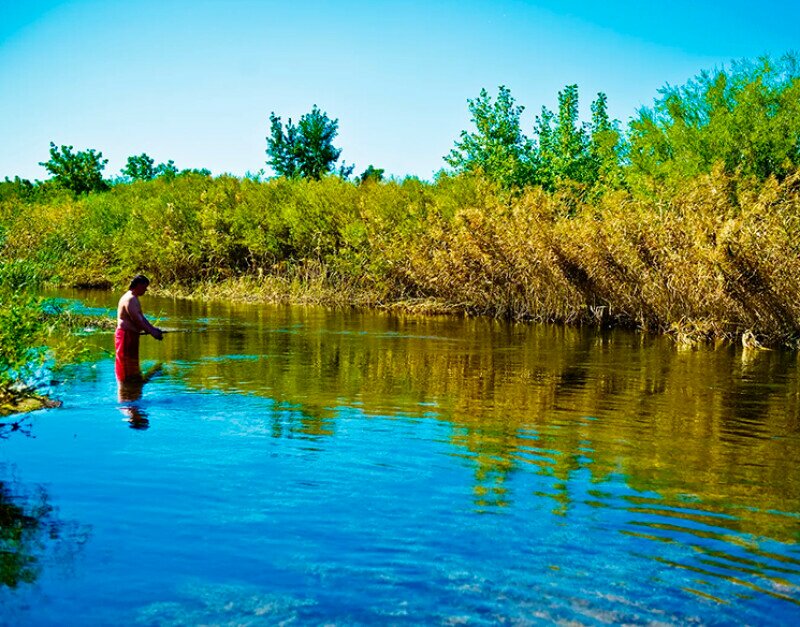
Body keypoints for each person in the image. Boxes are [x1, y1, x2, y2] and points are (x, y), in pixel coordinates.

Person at [115, 275, 163, 383]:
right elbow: (137, 320)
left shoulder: (134, 298)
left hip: (131, 336)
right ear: (138, 285)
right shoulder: (130, 299)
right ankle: (127, 388)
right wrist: (152, 332)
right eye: (144, 287)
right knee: (125, 365)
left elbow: (142, 318)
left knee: (132, 364)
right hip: (125, 336)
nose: (146, 290)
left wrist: (153, 329)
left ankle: (133, 390)